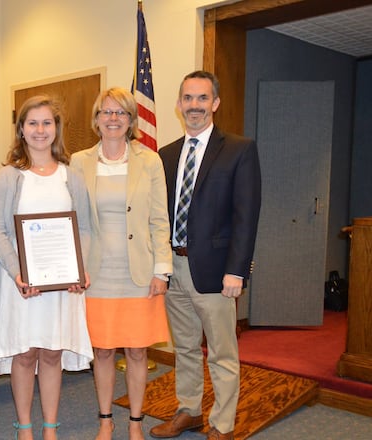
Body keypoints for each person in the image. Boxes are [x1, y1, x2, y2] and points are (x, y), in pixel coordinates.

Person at [149, 71, 261, 440]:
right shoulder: (165, 155)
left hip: (216, 271)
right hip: (175, 267)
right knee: (184, 347)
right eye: (187, 98)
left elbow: (246, 215)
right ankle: (189, 410)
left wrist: (237, 270)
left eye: (202, 98)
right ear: (179, 104)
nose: (194, 106)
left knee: (221, 351)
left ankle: (224, 423)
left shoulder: (239, 149)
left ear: (214, 103)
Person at [0, 95, 93, 440]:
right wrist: (18, 273)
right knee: (26, 352)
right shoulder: (8, 176)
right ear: (21, 129)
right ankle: (25, 427)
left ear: (56, 129)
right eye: (33, 123)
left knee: (52, 351)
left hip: (61, 284)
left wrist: (80, 269)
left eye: (47, 123)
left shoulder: (70, 177)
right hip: (21, 282)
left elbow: (85, 228)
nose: (40, 130)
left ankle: (50, 427)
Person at [70, 87, 173, 440]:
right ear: (96, 119)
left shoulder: (149, 160)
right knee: (101, 350)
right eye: (106, 112)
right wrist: (73, 267)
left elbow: (160, 220)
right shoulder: (79, 161)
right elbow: (73, 220)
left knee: (137, 350)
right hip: (96, 273)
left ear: (131, 121)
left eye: (121, 113)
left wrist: (162, 270)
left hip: (139, 273)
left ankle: (134, 422)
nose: (113, 118)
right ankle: (104, 421)